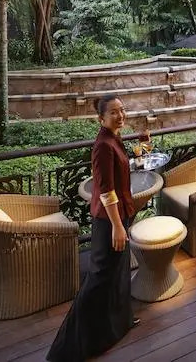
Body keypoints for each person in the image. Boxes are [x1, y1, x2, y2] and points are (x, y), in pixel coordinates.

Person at [48, 95, 138, 361]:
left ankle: (117, 326)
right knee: (99, 279)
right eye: (114, 112)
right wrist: (117, 227)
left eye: (122, 110)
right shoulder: (103, 146)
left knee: (118, 274)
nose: (120, 116)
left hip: (120, 216)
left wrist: (137, 153)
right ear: (101, 118)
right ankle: (69, 347)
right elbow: (106, 191)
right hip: (110, 221)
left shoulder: (114, 138)